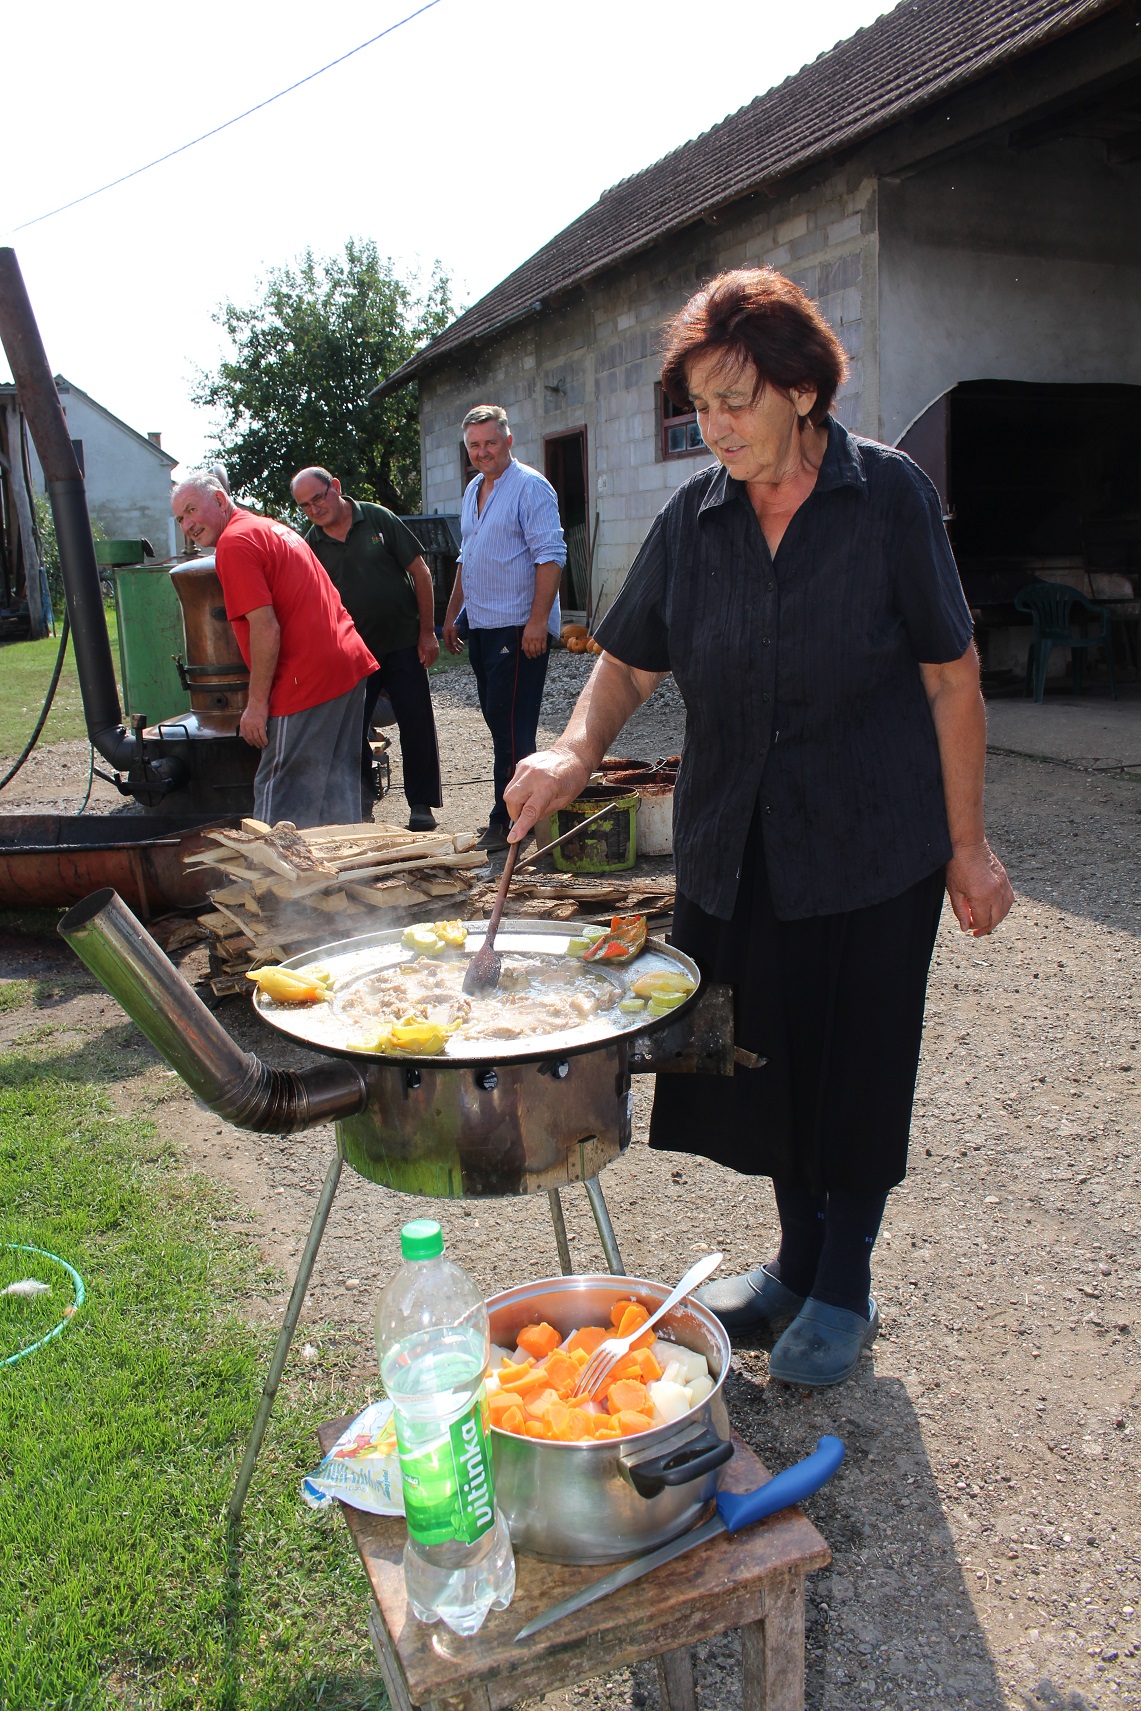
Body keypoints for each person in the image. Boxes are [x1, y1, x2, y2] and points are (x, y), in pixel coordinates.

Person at [503, 268, 1013, 1388]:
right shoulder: (695, 517)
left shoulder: (887, 498)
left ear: (800, 391)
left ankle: (843, 1284)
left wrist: (966, 845)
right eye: (698, 404)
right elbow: (631, 658)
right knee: (765, 1058)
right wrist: (572, 748)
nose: (712, 426)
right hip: (739, 841)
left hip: (874, 840)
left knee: (858, 1061)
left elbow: (950, 676)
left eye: (734, 400)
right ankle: (791, 1265)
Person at [171, 473, 376, 828]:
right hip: (345, 664)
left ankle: (269, 882)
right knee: (335, 790)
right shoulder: (269, 528)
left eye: (192, 510)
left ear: (220, 501)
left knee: (280, 797)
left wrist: (257, 705)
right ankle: (344, 877)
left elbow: (266, 629)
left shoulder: (234, 544)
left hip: (305, 678)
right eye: (180, 518)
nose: (188, 524)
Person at [290, 467, 443, 833]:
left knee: (416, 723)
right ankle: (359, 805)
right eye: (305, 505)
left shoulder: (376, 517)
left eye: (319, 498)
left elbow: (421, 573)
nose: (315, 508)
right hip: (352, 655)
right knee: (350, 732)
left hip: (404, 642)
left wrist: (427, 633)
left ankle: (420, 806)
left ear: (336, 488)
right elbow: (310, 604)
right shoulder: (310, 545)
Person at [442, 406, 566, 852]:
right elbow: (466, 557)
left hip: (517, 628)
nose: (482, 452)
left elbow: (550, 556)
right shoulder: (474, 488)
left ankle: (508, 819)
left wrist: (537, 621)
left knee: (514, 727)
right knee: (498, 723)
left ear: (508, 441)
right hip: (483, 624)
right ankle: (517, 808)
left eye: (490, 442)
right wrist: (454, 613)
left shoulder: (530, 488)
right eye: (474, 445)